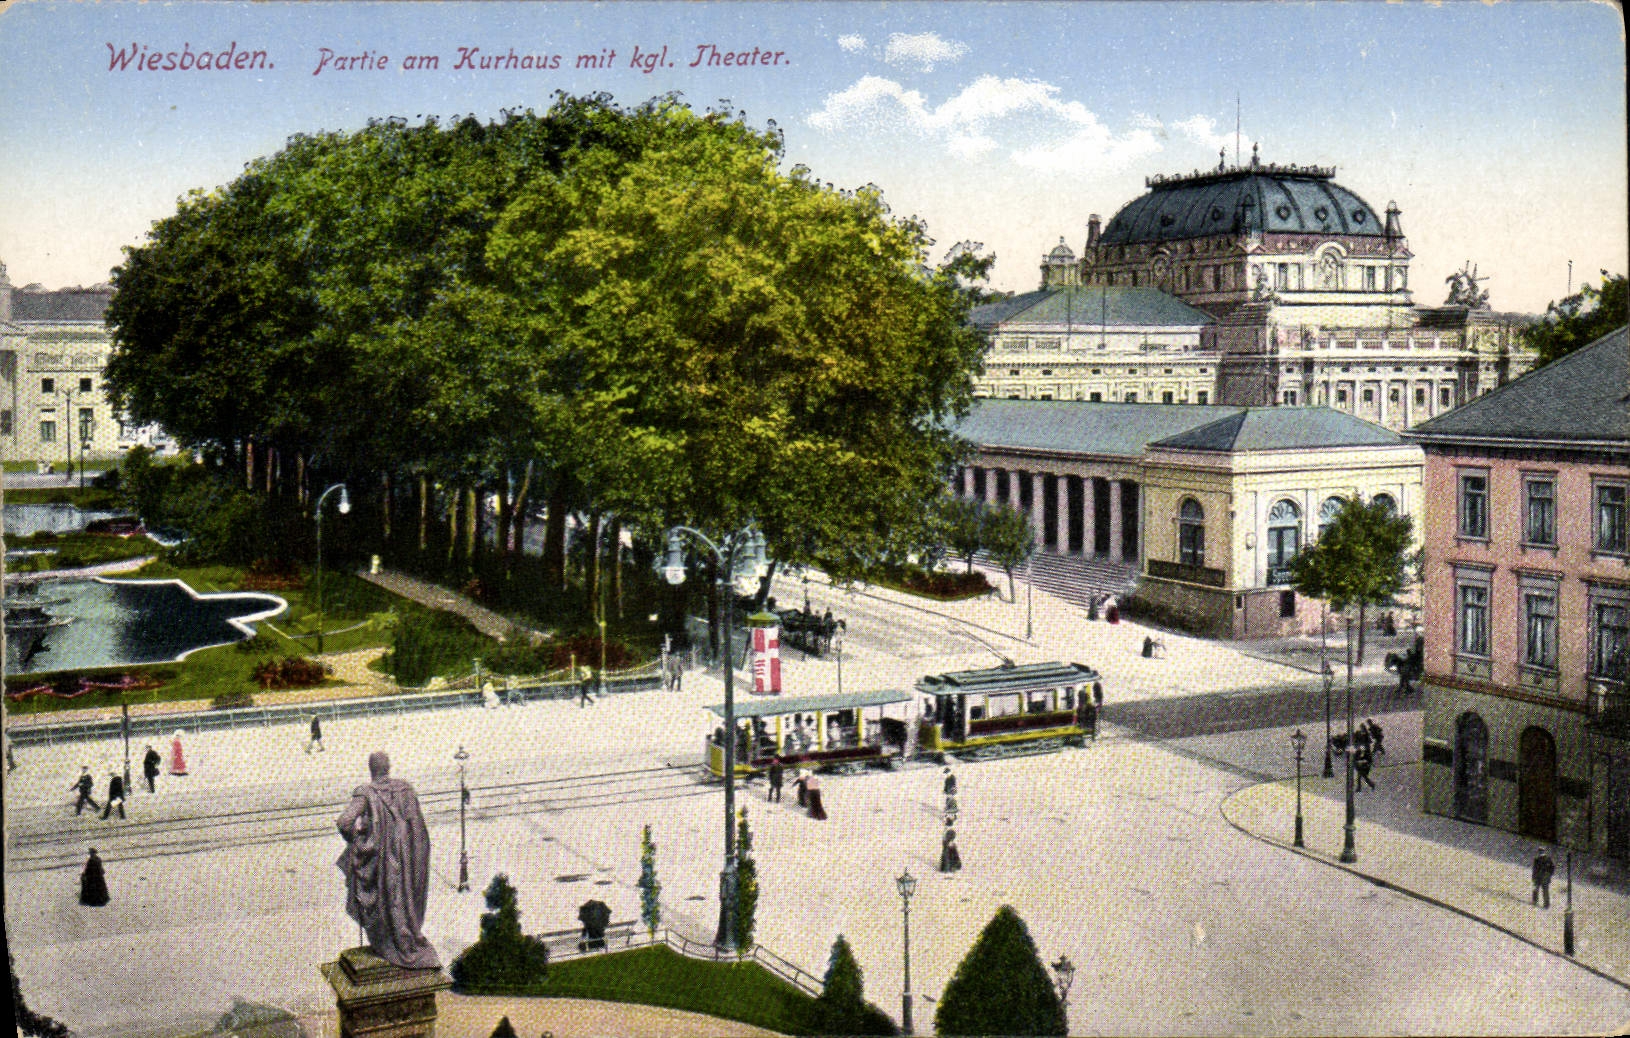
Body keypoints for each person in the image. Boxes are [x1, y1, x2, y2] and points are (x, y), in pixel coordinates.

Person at [335, 751, 440, 969]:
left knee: (388, 898)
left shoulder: (365, 793)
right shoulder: (406, 789)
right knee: (403, 897)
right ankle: (407, 937)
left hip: (382, 859)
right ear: (389, 767)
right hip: (406, 856)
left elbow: (344, 822)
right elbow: (417, 827)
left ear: (371, 769)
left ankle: (392, 941)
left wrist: (357, 840)